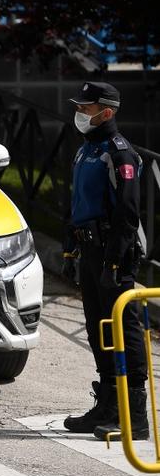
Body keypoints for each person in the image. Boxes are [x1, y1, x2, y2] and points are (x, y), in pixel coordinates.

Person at [60, 81, 148, 440]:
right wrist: (69, 251)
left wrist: (114, 261)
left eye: (85, 108)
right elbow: (76, 204)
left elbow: (127, 213)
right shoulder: (86, 150)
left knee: (123, 328)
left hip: (114, 251)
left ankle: (136, 415)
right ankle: (108, 405)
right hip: (89, 250)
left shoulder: (120, 153)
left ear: (105, 112)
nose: (80, 113)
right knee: (100, 329)